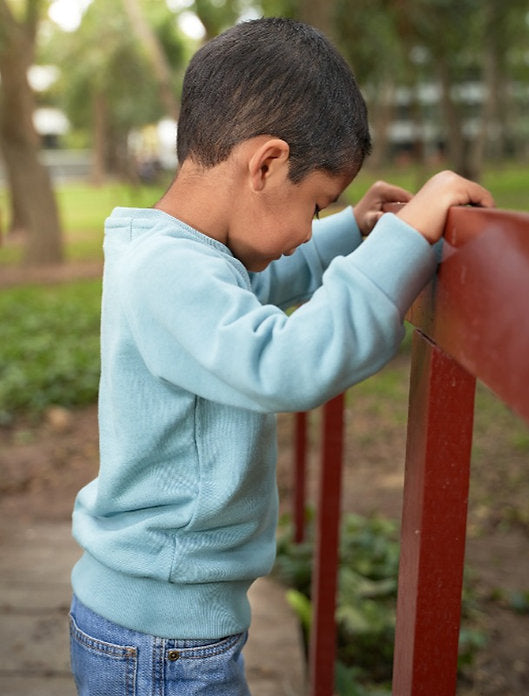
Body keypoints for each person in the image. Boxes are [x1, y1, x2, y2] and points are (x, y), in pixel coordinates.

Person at [69, 17, 494, 696]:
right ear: (265, 163)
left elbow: (255, 285)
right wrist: (407, 240)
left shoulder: (179, 256)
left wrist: (347, 233)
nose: (304, 230)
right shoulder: (167, 271)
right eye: (315, 202)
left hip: (164, 625)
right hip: (160, 639)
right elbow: (287, 364)